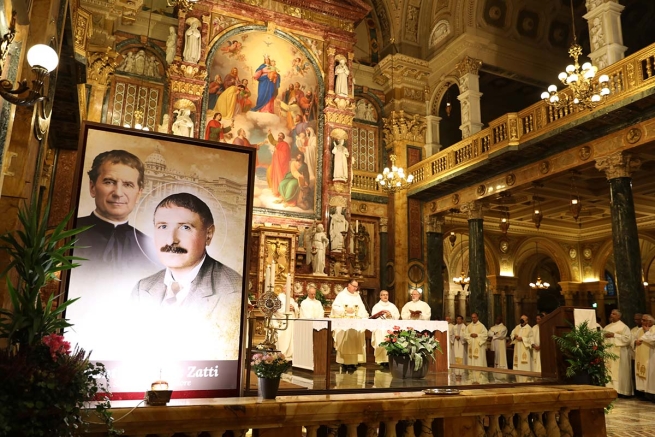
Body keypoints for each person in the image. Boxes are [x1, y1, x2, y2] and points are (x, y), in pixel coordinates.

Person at [131, 192, 243, 360]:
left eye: (185, 227)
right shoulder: (143, 288)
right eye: (163, 226)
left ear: (209, 234)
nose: (171, 240)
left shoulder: (232, 291)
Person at [73, 150, 159, 280]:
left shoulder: (151, 250)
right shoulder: (65, 236)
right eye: (109, 182)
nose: (118, 193)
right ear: (92, 187)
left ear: (139, 194)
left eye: (128, 185)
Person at [330, 279, 369, 371]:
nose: (356, 288)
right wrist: (345, 310)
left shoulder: (357, 296)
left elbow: (362, 308)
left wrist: (362, 314)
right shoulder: (341, 295)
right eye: (354, 286)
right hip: (344, 323)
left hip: (355, 322)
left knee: (355, 341)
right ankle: (344, 362)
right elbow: (335, 307)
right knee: (345, 341)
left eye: (357, 287)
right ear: (349, 285)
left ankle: (353, 362)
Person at [603, 309, 634, 396]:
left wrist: (614, 335)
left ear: (619, 316)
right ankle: (610, 389)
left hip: (619, 353)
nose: (611, 315)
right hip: (609, 352)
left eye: (614, 314)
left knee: (619, 372)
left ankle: (620, 391)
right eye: (611, 313)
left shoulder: (624, 327)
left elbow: (627, 339)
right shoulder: (607, 327)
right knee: (609, 371)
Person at [370, 290, 400, 366]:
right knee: (380, 339)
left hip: (390, 327)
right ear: (380, 296)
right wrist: (384, 316)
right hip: (380, 327)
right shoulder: (376, 306)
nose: (385, 296)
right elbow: (374, 317)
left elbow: (397, 315)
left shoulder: (392, 306)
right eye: (383, 295)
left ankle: (389, 360)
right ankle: (381, 361)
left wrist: (391, 315)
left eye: (386, 295)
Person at [265, 131, 290, 198]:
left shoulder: (285, 144)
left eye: (281, 136)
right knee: (269, 171)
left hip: (282, 164)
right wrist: (270, 133)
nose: (279, 137)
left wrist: (277, 151)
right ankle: (273, 188)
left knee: (280, 175)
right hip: (276, 163)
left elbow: (285, 155)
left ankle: (280, 191)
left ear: (283, 137)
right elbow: (272, 140)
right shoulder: (277, 143)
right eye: (279, 135)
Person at [633, 314, 654, 396]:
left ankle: (652, 394)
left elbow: (653, 341)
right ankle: (645, 394)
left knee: (651, 377)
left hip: (651, 357)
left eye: (644, 320)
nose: (642, 322)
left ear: (650, 321)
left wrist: (646, 332)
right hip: (641, 356)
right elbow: (633, 338)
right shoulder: (639, 330)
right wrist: (635, 342)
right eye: (642, 320)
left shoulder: (654, 329)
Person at [274, 292, 299, 360]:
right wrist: (286, 309)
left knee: (291, 337)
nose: (290, 290)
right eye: (289, 289)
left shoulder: (291, 299)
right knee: (284, 336)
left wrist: (293, 308)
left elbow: (297, 309)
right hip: (283, 320)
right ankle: (282, 353)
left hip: (292, 320)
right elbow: (276, 309)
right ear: (284, 289)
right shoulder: (279, 298)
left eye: (291, 289)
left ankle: (290, 353)